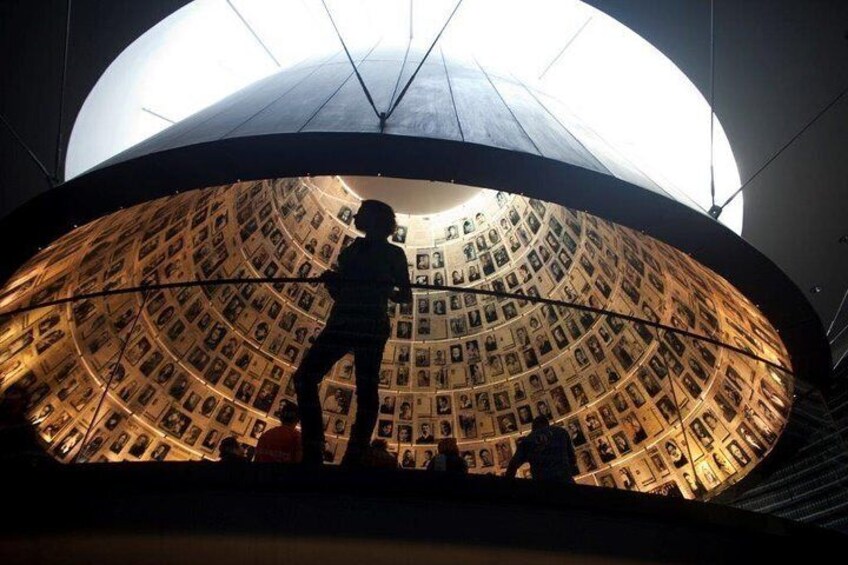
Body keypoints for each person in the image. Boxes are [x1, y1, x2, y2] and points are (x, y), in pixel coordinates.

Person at [294, 200, 412, 466]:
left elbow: (402, 294)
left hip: (351, 320)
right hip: (364, 322)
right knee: (363, 390)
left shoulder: (364, 252)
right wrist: (375, 289)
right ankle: (349, 452)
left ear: (374, 219)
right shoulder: (385, 253)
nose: (357, 215)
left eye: (362, 213)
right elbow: (402, 294)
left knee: (309, 378)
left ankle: (325, 447)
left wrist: (371, 288)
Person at [505, 417, 576, 482]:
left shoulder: (527, 441)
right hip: (565, 480)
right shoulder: (561, 432)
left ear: (533, 428)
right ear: (548, 424)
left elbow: (512, 465)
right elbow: (572, 459)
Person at [0, 385, 49, 465]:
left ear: (23, 401)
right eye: (8, 393)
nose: (9, 396)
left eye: (14, 393)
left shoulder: (24, 427)